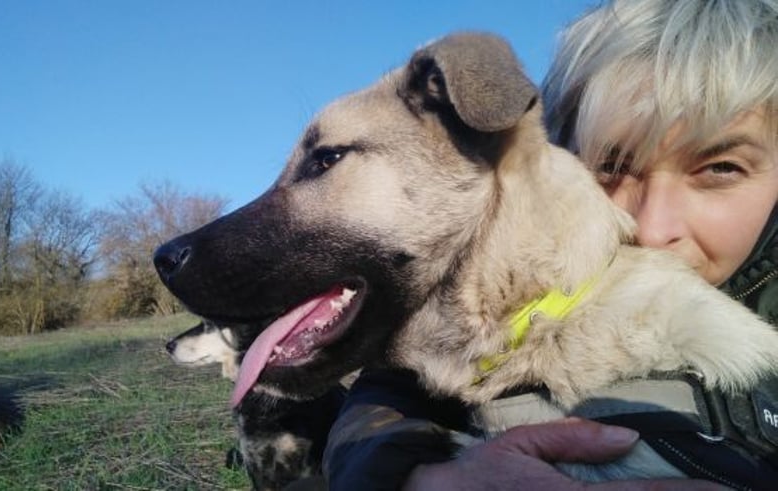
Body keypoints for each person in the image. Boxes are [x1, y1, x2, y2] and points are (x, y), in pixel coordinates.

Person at [323, 0, 778, 489]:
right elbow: (384, 396)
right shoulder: (511, 276)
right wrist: (426, 479)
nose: (650, 228)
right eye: (611, 166)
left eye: (720, 169)